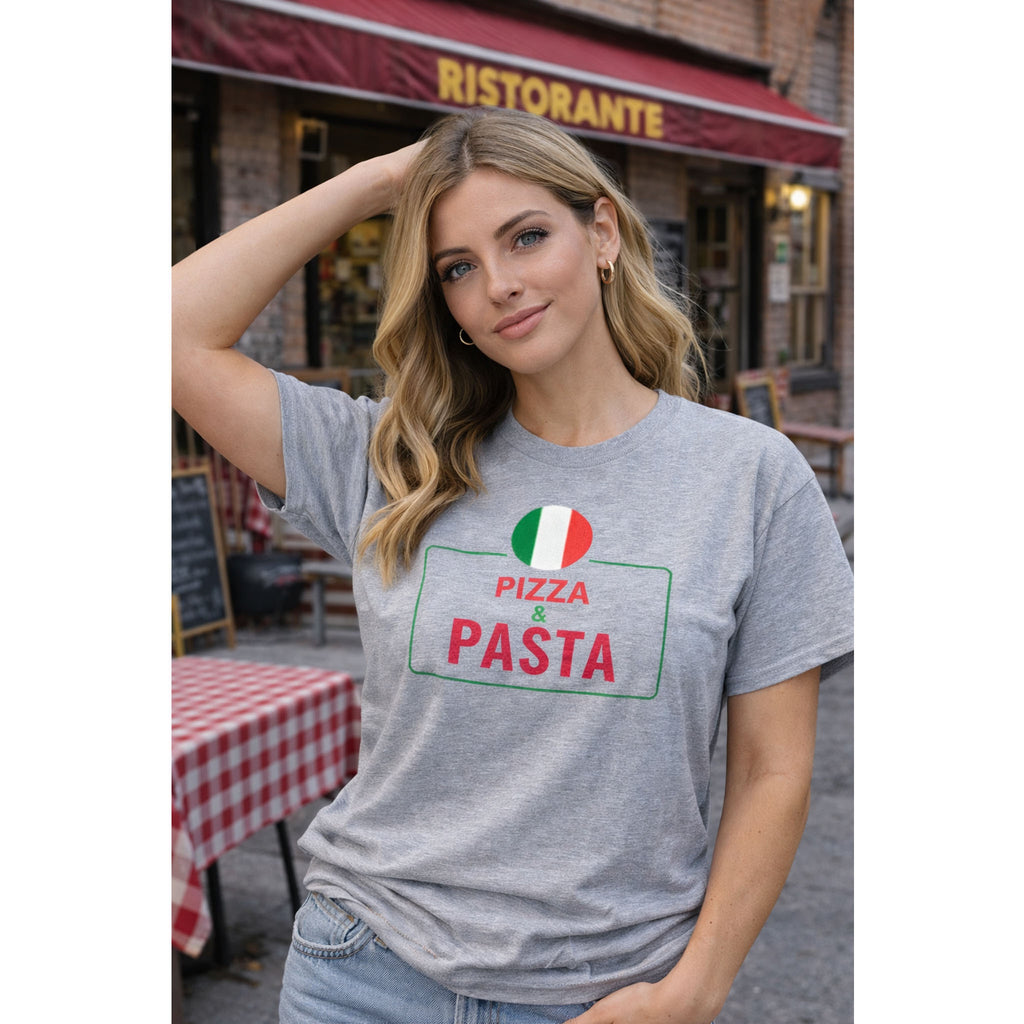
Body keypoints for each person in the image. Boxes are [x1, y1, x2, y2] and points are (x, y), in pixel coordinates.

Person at [172, 106, 854, 1024]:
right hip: (365, 973)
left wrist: (696, 989)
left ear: (602, 231)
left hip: (607, 994)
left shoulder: (748, 477)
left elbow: (775, 768)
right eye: (458, 266)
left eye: (526, 236)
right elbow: (167, 336)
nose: (498, 284)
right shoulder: (390, 458)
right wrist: (383, 180)